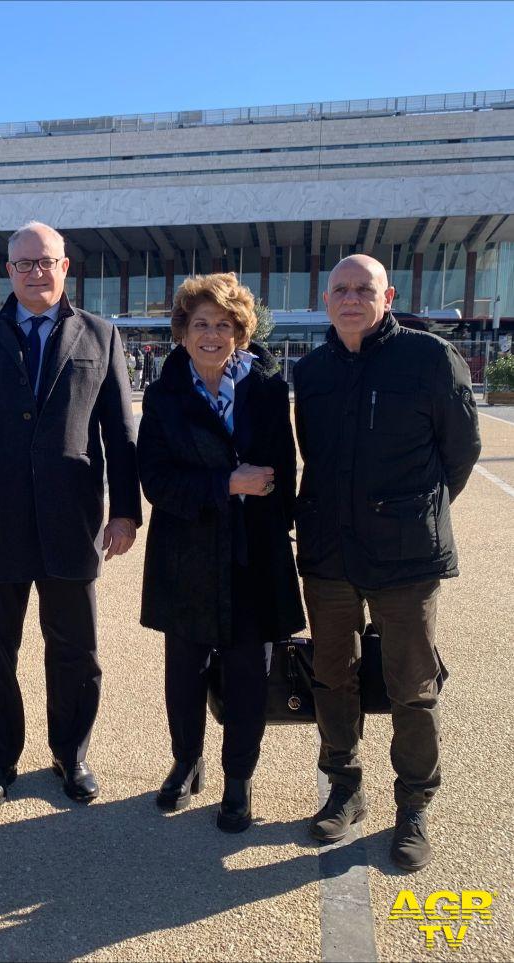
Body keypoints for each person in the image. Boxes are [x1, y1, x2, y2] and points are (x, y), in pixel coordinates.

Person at [0, 220, 141, 810]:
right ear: (9, 271)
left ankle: (70, 753)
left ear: (65, 266)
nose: (35, 272)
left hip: (71, 520)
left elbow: (121, 435)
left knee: (76, 648)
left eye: (45, 261)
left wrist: (126, 512)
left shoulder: (100, 336)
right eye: (24, 263)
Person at [294, 254, 481, 871]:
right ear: (327, 301)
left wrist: (412, 512)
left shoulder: (428, 359)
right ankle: (345, 784)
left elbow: (460, 452)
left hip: (406, 556)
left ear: (388, 295)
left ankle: (414, 803)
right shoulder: (314, 370)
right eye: (341, 290)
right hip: (329, 554)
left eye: (363, 289)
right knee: (332, 675)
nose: (351, 299)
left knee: (412, 686)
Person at [138, 273, 304, 830]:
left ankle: (239, 778)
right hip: (185, 555)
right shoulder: (163, 395)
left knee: (248, 675)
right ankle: (186, 762)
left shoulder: (267, 387)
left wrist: (278, 537)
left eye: (224, 325)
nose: (212, 334)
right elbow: (156, 481)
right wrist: (226, 484)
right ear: (183, 331)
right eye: (201, 324)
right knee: (184, 672)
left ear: (240, 332)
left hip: (253, 554)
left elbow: (284, 470)